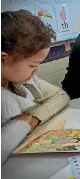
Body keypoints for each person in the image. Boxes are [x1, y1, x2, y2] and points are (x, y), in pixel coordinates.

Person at [1, 10, 70, 164]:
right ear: (3, 59)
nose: (37, 70)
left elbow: (60, 96)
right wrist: (21, 125)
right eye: (32, 64)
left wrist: (33, 118)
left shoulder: (21, 79)